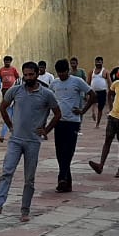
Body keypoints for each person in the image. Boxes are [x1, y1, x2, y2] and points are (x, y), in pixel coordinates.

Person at [0, 62, 60, 222]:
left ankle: (25, 210)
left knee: (29, 178)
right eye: (25, 75)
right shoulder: (16, 91)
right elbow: (3, 107)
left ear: (36, 74)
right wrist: (10, 126)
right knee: (7, 171)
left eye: (31, 75)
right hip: (15, 140)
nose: (28, 78)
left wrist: (46, 130)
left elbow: (57, 113)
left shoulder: (46, 94)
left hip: (33, 141)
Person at [50, 59, 94, 192]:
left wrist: (83, 111)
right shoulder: (54, 83)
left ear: (68, 71)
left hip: (72, 121)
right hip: (59, 121)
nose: (61, 75)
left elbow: (93, 95)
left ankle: (61, 178)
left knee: (68, 151)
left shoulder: (77, 81)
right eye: (59, 73)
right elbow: (49, 100)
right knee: (59, 152)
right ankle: (66, 182)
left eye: (64, 72)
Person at [0, 55, 20, 142]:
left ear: (10, 62)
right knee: (7, 107)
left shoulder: (13, 69)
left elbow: (18, 78)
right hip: (5, 90)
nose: (7, 63)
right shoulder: (1, 70)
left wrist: (15, 86)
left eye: (8, 61)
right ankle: (8, 120)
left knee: (13, 108)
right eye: (5, 61)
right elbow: (0, 79)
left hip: (12, 90)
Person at [88, 56, 110, 128]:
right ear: (95, 63)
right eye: (97, 62)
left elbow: (109, 82)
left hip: (102, 91)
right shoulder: (92, 72)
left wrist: (111, 91)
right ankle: (93, 112)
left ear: (102, 63)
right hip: (93, 91)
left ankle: (98, 123)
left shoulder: (105, 71)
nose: (98, 63)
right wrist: (86, 91)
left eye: (99, 62)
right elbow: (88, 82)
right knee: (92, 103)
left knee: (100, 107)